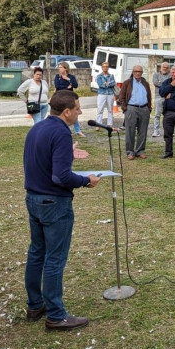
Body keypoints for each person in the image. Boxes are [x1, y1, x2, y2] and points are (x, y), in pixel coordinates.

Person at [23, 90, 99, 334]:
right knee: (54, 259)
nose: (80, 112)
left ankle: (35, 305)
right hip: (54, 203)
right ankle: (55, 315)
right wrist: (86, 180)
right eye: (78, 108)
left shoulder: (38, 128)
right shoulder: (61, 132)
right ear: (66, 112)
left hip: (34, 198)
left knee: (37, 253)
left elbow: (44, 161)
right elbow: (61, 176)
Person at [118, 65, 152, 160]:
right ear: (133, 72)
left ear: (142, 73)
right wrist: (125, 108)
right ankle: (130, 152)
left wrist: (149, 108)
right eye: (136, 71)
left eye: (140, 71)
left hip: (144, 108)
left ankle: (140, 151)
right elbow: (121, 97)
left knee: (143, 131)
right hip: (131, 109)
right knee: (130, 131)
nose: (138, 73)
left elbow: (149, 96)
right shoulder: (127, 83)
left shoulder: (145, 83)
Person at [54, 63, 83, 137]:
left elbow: (75, 85)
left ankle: (78, 131)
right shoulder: (57, 77)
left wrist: (68, 80)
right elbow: (57, 86)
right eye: (59, 67)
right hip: (60, 98)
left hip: (70, 98)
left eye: (61, 67)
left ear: (65, 68)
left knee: (73, 113)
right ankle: (65, 131)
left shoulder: (71, 77)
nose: (59, 69)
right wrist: (67, 87)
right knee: (62, 115)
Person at [95, 61, 117, 130]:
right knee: (100, 109)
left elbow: (113, 83)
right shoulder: (99, 76)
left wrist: (106, 83)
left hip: (110, 94)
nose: (105, 68)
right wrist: (108, 83)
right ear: (102, 68)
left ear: (108, 68)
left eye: (106, 67)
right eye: (104, 67)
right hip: (102, 94)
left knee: (110, 110)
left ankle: (110, 124)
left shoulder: (111, 76)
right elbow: (101, 85)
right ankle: (98, 124)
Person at [151, 62, 170, 137]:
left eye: (166, 67)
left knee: (168, 115)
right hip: (158, 97)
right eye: (164, 67)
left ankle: (168, 130)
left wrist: (162, 83)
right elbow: (155, 83)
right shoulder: (156, 74)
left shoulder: (170, 75)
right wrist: (167, 84)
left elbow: (171, 84)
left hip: (168, 97)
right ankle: (156, 131)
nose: (165, 68)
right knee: (157, 115)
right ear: (160, 67)